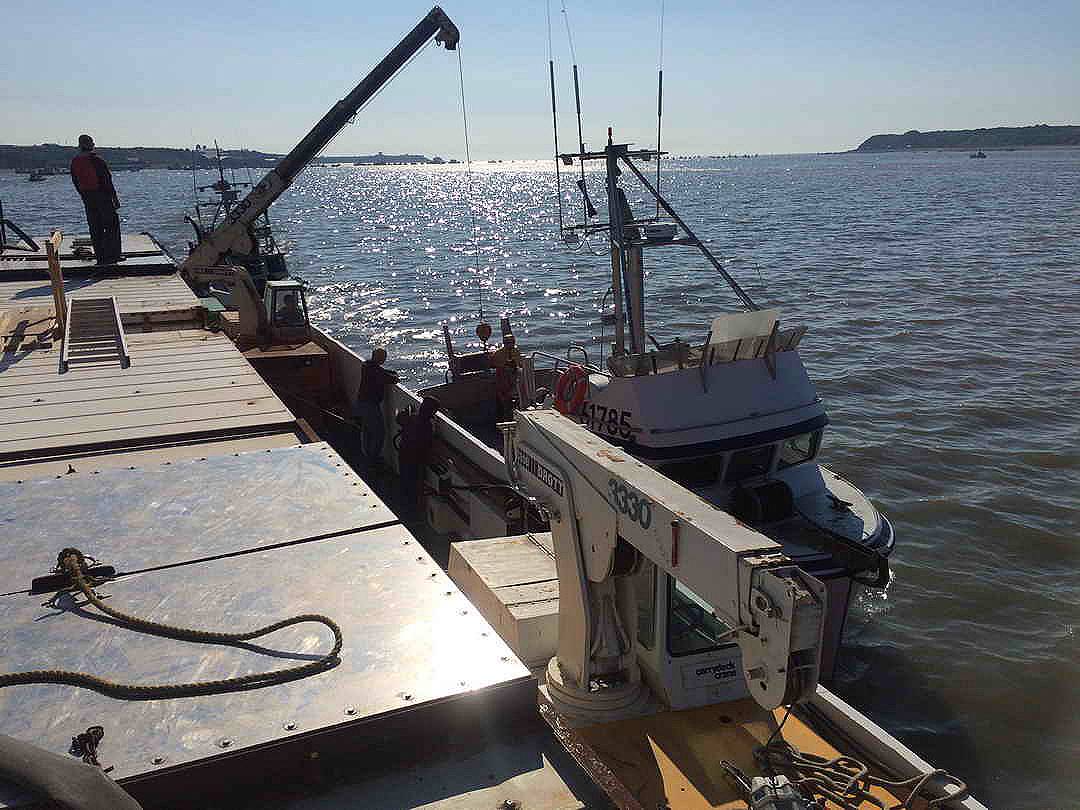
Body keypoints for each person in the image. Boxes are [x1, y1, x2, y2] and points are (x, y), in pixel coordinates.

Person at [70, 135, 122, 265]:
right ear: (90, 144)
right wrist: (114, 198)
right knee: (112, 225)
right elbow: (107, 181)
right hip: (102, 195)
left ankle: (100, 257)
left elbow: (75, 181)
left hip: (87, 196)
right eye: (92, 142)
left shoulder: (75, 161)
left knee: (95, 227)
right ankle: (113, 256)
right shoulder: (97, 160)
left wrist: (83, 196)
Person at [355, 348, 399, 466]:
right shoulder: (374, 370)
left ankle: (367, 455)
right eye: (383, 357)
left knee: (367, 430)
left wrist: (390, 373)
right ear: (379, 358)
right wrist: (394, 375)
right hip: (369, 405)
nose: (384, 359)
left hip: (363, 403)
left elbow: (382, 372)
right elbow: (391, 379)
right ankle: (373, 459)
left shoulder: (367, 366)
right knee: (379, 433)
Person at [397, 396, 439, 511]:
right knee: (415, 484)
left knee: (405, 480)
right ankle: (413, 508)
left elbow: (399, 419)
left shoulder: (411, 417)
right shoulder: (427, 425)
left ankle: (404, 505)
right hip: (416, 460)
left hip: (404, 453)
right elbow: (428, 445)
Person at [489, 334, 523, 421]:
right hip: (503, 378)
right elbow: (493, 365)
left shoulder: (516, 351)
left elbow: (520, 364)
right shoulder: (498, 353)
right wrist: (504, 366)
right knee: (504, 400)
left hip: (514, 377)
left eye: (512, 342)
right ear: (504, 343)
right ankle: (504, 418)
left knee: (515, 397)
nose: (510, 344)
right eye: (508, 342)